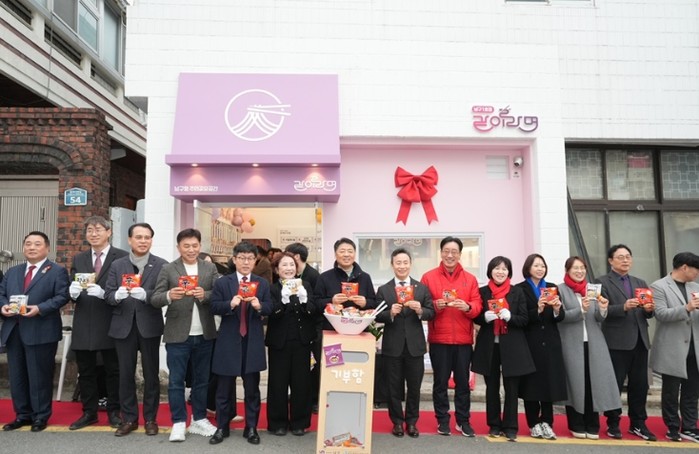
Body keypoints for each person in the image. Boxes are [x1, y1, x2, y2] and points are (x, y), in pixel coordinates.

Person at [152, 228, 220, 442]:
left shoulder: (210, 268)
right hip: (177, 334)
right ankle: (179, 422)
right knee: (176, 380)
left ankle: (199, 419)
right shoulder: (168, 268)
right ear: (178, 247)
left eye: (195, 245)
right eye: (186, 246)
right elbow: (155, 298)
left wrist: (205, 294)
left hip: (205, 333)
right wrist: (169, 295)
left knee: (202, 380)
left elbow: (220, 294)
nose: (191, 249)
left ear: (200, 246)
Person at [0, 231, 69, 432]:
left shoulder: (56, 271)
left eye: (37, 244)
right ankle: (22, 415)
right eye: (28, 244)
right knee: (17, 376)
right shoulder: (13, 271)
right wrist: (3, 306)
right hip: (14, 330)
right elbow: (1, 294)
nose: (32, 247)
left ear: (47, 248)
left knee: (40, 376)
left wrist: (40, 308)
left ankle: (40, 415)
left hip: (42, 330)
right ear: (23, 248)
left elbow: (62, 296)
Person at [105, 223, 167, 437]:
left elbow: (163, 295)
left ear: (151, 240)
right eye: (138, 237)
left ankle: (150, 418)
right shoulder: (117, 265)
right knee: (125, 374)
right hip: (123, 326)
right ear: (129, 240)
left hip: (149, 325)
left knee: (151, 374)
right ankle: (129, 418)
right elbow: (108, 295)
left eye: (147, 237)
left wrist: (146, 296)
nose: (143, 241)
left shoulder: (161, 265)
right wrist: (117, 295)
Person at [209, 241, 273, 446]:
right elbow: (213, 306)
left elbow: (270, 307)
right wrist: (230, 304)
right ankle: (222, 426)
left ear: (255, 261)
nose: (246, 262)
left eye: (250, 258)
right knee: (224, 389)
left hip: (252, 341)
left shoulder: (262, 283)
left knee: (252, 389)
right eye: (242, 258)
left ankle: (251, 427)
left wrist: (259, 306)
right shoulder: (223, 283)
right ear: (234, 260)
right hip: (228, 341)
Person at [67, 216, 128, 430]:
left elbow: (126, 288)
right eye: (90, 230)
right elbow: (72, 287)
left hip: (112, 320)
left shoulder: (122, 257)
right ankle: (89, 412)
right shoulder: (79, 258)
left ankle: (114, 411)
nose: (94, 234)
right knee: (86, 371)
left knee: (113, 370)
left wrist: (106, 294)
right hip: (84, 321)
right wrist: (73, 293)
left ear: (109, 232)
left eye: (98, 229)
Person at [420, 236, 482, 437]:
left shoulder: (470, 279)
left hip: (463, 340)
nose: (450, 255)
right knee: (440, 383)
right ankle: (442, 420)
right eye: (446, 251)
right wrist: (435, 305)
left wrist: (468, 307)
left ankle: (463, 421)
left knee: (463, 384)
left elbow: (478, 306)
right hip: (439, 339)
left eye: (454, 252)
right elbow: (423, 307)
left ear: (460, 254)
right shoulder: (428, 277)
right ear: (441, 253)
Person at [595, 244, 656, 441]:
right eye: (620, 257)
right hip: (616, 342)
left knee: (640, 385)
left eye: (628, 256)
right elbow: (600, 312)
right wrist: (623, 307)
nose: (625, 260)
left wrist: (649, 309)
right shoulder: (602, 282)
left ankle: (638, 423)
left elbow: (648, 313)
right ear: (610, 261)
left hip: (640, 340)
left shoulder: (640, 282)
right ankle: (613, 422)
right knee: (615, 384)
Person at [558, 256, 621, 439]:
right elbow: (559, 316)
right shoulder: (561, 290)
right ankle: (576, 424)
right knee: (575, 384)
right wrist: (581, 310)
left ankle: (593, 424)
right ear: (567, 270)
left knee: (593, 383)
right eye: (575, 268)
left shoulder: (592, 289)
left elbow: (598, 318)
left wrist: (603, 308)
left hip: (594, 343)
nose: (579, 271)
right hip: (571, 343)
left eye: (582, 268)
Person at [472, 256, 535, 441]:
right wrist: (484, 317)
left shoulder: (517, 292)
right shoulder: (483, 292)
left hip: (513, 346)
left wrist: (510, 317)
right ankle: (494, 424)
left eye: (504, 269)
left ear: (509, 272)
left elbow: (524, 319)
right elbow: (475, 316)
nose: (500, 272)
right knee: (491, 387)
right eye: (497, 268)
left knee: (511, 388)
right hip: (489, 345)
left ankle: (510, 426)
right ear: (490, 271)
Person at [375, 248, 434, 439]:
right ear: (392, 265)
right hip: (392, 346)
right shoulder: (384, 289)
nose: (402, 266)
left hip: (415, 346)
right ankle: (397, 423)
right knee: (393, 386)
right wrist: (390, 313)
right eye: (398, 263)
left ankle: (412, 422)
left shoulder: (421, 288)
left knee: (414, 387)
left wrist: (420, 310)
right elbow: (377, 315)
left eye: (405, 262)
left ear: (410, 264)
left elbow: (431, 312)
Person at [265, 252, 317, 436]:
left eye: (292, 265)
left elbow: (313, 310)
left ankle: (299, 422)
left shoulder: (306, 285)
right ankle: (277, 423)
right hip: (279, 342)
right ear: (276, 269)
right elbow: (270, 313)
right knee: (277, 383)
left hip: (302, 341)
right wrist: (283, 301)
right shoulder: (272, 289)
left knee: (301, 383)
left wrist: (304, 301)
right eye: (284, 265)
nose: (288, 268)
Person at [650, 252, 699, 443]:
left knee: (692, 390)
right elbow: (661, 314)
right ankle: (672, 426)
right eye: (695, 269)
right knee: (670, 390)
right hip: (672, 347)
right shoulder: (659, 286)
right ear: (684, 267)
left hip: (694, 346)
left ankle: (689, 426)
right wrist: (687, 308)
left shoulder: (695, 287)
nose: (697, 273)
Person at [517, 253, 566, 440]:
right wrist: (537, 308)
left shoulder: (552, 287)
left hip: (551, 342)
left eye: (542, 266)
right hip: (530, 342)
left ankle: (547, 422)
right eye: (536, 265)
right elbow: (521, 317)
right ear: (528, 268)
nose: (540, 269)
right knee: (531, 385)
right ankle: (533, 423)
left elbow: (560, 318)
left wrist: (557, 309)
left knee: (549, 383)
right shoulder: (520, 289)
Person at [284, 242, 321, 412]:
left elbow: (314, 304)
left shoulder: (312, 276)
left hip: (311, 327)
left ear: (296, 257)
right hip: (294, 328)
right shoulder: (293, 275)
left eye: (288, 256)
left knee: (312, 365)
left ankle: (313, 399)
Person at [314, 237, 377, 330]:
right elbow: (315, 304)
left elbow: (374, 303)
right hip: (332, 330)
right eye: (342, 251)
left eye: (350, 251)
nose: (346, 254)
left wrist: (365, 303)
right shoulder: (324, 277)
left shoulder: (365, 277)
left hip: (359, 330)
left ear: (354, 254)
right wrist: (332, 301)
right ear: (335, 254)